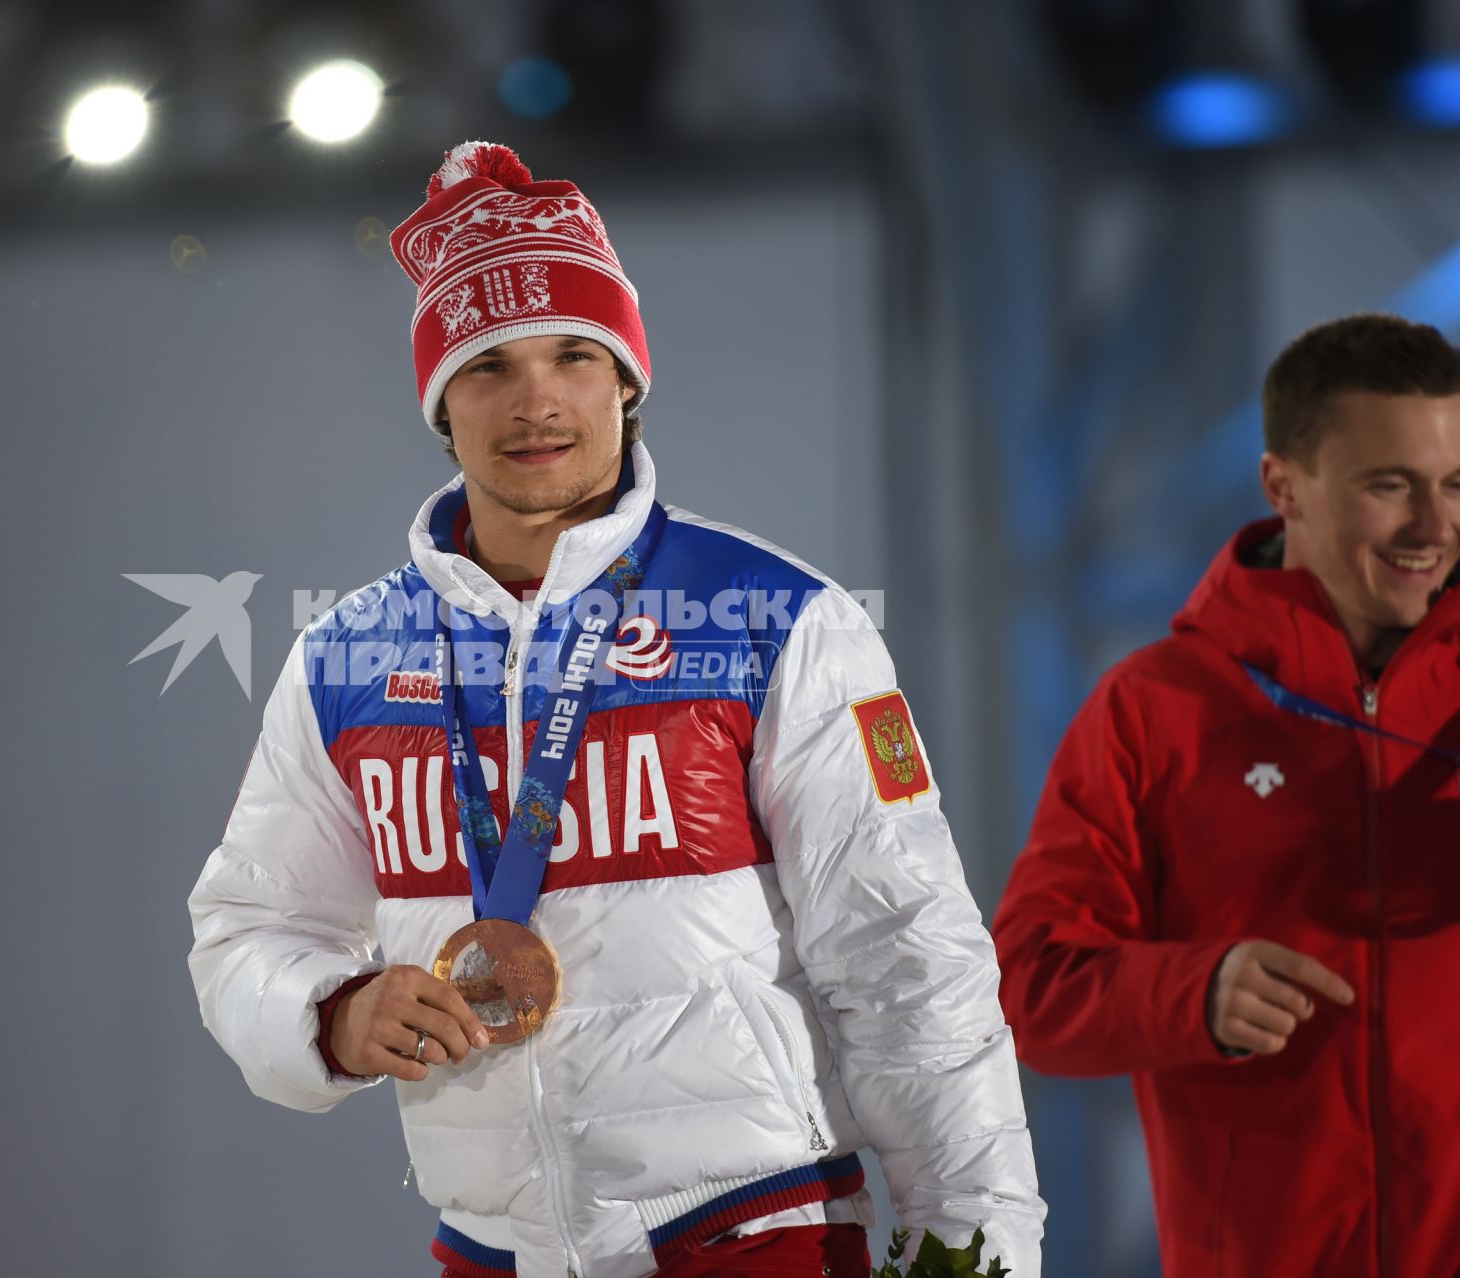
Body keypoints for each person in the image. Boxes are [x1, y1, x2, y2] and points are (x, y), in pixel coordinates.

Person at [189, 141, 1045, 1278]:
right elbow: (250, 928)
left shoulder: (776, 617)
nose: (537, 397)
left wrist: (973, 1244)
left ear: (627, 383)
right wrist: (329, 1015)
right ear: (442, 405)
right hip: (491, 1252)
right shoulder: (346, 658)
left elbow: (906, 951)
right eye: (490, 366)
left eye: (574, 355)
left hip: (752, 1235)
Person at [991, 313, 1460, 1277]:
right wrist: (1193, 994)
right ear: (1282, 485)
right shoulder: (1157, 709)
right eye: (1390, 486)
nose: (1435, 526)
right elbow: (1027, 988)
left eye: (1456, 484)